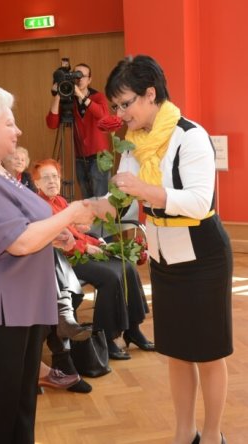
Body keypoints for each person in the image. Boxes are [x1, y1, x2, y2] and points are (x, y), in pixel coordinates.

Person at [0, 86, 104, 444]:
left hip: (17, 302)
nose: (18, 131)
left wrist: (55, 234)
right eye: (9, 124)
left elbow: (24, 224)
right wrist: (69, 216)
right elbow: (17, 242)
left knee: (18, 403)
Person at [104, 55, 232, 444]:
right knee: (177, 351)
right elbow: (120, 200)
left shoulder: (190, 136)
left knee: (208, 353)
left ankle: (212, 435)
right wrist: (81, 214)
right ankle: (183, 432)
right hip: (164, 258)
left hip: (203, 256)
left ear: (150, 94)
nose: (120, 114)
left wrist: (145, 190)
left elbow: (198, 201)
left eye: (125, 104)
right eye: (115, 107)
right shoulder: (133, 143)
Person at [32, 158, 154, 360]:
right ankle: (106, 337)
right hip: (63, 261)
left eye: (55, 176)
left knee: (127, 266)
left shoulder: (60, 201)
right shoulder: (38, 207)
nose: (52, 181)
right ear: (36, 183)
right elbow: (56, 239)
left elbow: (75, 233)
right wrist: (86, 247)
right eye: (45, 178)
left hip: (80, 251)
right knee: (110, 277)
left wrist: (97, 243)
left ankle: (133, 329)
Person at [46, 62, 122, 198]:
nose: (79, 79)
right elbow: (52, 124)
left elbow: (103, 115)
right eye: (76, 76)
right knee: (87, 198)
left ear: (89, 79)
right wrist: (58, 94)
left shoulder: (97, 97)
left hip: (100, 156)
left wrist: (81, 95)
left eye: (82, 76)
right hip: (80, 157)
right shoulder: (69, 99)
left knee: (101, 197)